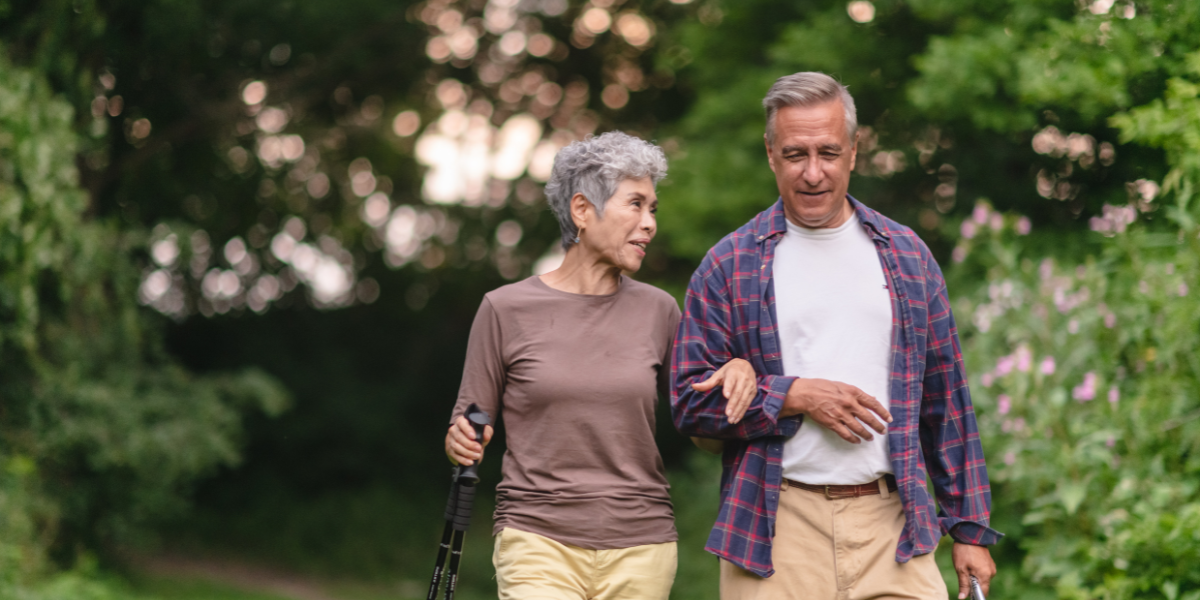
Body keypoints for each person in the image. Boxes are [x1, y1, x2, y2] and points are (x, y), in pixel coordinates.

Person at [671, 72, 1002, 600]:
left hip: (895, 526)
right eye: (795, 153)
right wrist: (791, 395)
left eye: (828, 152)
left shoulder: (908, 255)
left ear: (854, 149)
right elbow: (689, 403)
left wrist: (969, 528)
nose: (812, 173)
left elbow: (947, 402)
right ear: (770, 153)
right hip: (774, 527)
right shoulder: (728, 265)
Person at [445, 131, 754, 600]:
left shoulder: (661, 311)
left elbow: (706, 437)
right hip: (536, 538)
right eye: (635, 204)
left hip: (642, 545)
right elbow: (467, 424)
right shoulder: (504, 309)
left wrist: (735, 374)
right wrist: (460, 440)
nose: (649, 223)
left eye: (653, 208)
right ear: (583, 211)